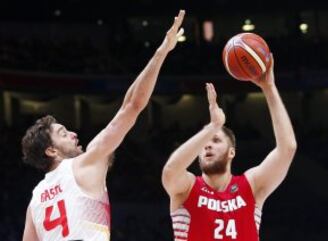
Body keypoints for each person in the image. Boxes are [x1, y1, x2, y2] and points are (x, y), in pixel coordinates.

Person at [22, 10, 186, 241]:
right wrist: (162, 52)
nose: (73, 133)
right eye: (62, 133)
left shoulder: (35, 199)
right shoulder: (85, 163)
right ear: (51, 150)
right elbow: (131, 106)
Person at [162, 56, 297, 241]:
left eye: (216, 140)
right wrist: (213, 127)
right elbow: (170, 171)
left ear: (231, 152)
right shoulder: (187, 188)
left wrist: (269, 88)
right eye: (204, 143)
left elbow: (288, 148)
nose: (207, 144)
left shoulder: (252, 186)